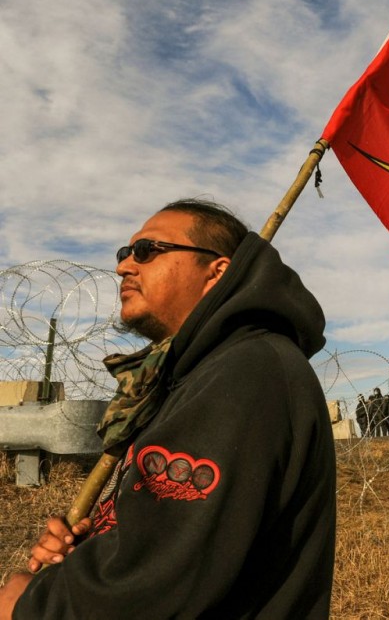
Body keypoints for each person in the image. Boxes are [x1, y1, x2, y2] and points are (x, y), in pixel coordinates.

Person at [0, 199, 336, 618]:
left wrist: (35, 604)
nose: (124, 266)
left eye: (146, 251)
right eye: (125, 254)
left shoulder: (244, 373)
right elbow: (179, 538)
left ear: (216, 272)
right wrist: (95, 546)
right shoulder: (199, 373)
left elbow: (157, 580)